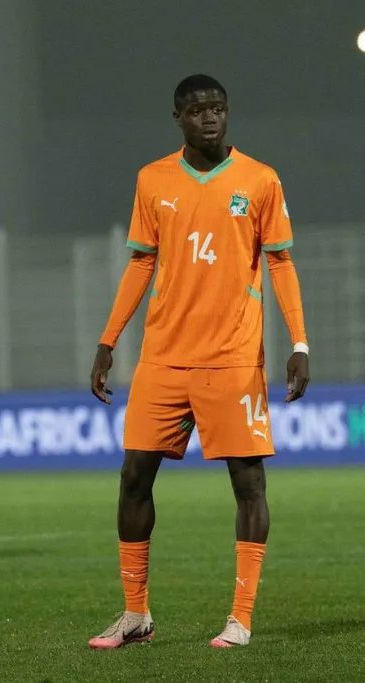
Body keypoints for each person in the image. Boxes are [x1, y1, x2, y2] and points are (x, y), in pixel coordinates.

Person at [87, 74, 310, 649]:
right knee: (133, 476)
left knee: (248, 481)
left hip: (232, 357)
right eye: (197, 110)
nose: (210, 118)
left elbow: (281, 263)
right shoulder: (152, 179)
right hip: (163, 356)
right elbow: (142, 262)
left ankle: (241, 618)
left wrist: (299, 343)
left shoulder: (260, 179)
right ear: (178, 118)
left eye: (218, 108)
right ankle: (135, 614)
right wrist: (108, 340)